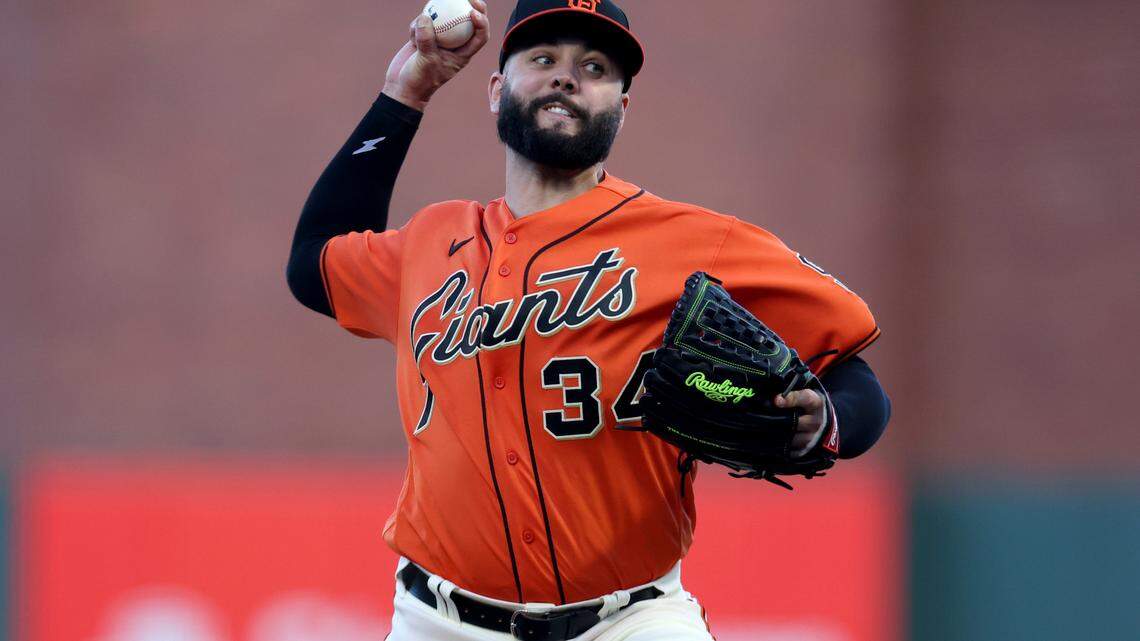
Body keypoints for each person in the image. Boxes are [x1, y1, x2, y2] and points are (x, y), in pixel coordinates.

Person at [287, 1, 891, 639]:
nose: (566, 77)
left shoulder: (697, 243)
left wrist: (827, 420)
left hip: (630, 619)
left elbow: (857, 381)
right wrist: (406, 91)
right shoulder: (429, 242)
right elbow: (312, 264)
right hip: (437, 620)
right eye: (543, 59)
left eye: (595, 67)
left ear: (622, 107)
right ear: (496, 92)